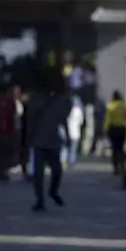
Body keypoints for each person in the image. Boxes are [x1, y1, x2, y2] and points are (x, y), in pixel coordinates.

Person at [25, 78, 72, 210]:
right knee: (38, 174)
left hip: (52, 141)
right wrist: (28, 139)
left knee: (57, 170)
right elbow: (30, 122)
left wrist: (67, 136)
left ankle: (53, 191)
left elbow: (64, 121)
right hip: (39, 141)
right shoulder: (35, 103)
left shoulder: (58, 103)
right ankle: (40, 200)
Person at [104, 91, 126, 175]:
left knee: (114, 149)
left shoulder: (110, 106)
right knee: (121, 148)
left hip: (113, 129)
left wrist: (106, 129)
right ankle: (122, 165)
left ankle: (115, 167)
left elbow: (107, 119)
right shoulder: (124, 106)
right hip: (122, 128)